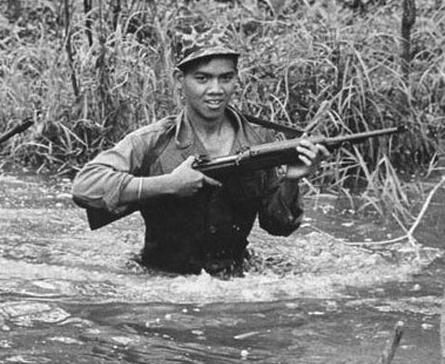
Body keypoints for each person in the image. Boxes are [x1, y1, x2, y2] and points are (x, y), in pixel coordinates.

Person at [71, 46, 329, 276]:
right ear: (179, 80)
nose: (216, 90)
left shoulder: (261, 141)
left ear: (236, 79)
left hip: (237, 282)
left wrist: (291, 181)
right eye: (202, 78)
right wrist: (169, 184)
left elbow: (279, 227)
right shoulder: (153, 141)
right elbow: (85, 185)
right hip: (159, 281)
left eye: (225, 78)